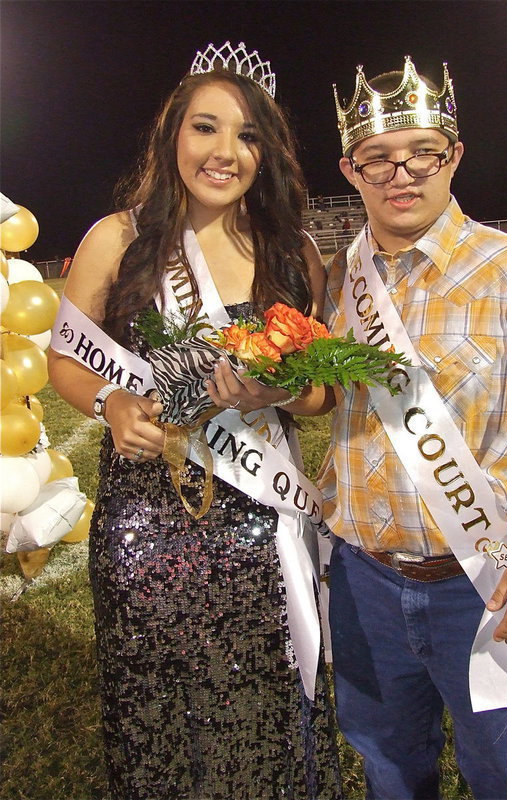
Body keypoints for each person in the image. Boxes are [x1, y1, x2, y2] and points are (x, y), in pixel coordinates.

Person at [48, 41, 341, 800]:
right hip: (146, 522)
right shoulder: (116, 239)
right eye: (205, 128)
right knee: (160, 715)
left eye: (247, 135)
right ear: (172, 133)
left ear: (267, 151)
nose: (225, 152)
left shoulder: (294, 253)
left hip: (264, 519)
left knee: (271, 708)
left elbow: (325, 394)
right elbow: (66, 360)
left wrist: (277, 395)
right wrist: (109, 403)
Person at [318, 55, 507, 800]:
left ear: (455, 157)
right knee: (387, 769)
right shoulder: (337, 279)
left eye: (423, 152)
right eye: (377, 159)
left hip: (484, 585)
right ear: (351, 171)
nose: (401, 174)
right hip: (361, 583)